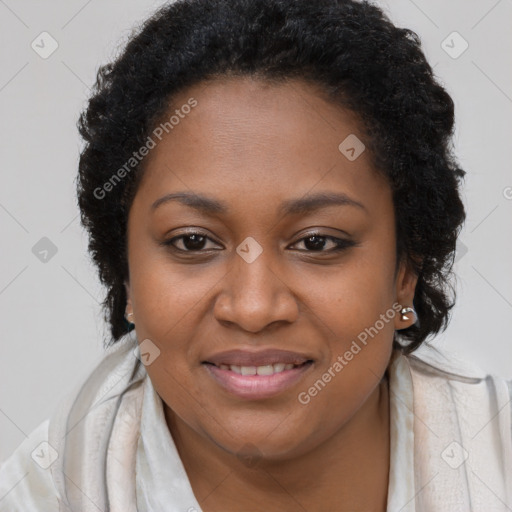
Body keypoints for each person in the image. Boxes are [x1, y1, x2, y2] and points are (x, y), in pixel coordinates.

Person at [1, 0, 511, 510]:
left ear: (405, 270)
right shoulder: (39, 495)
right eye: (193, 241)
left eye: (317, 242)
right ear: (126, 273)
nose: (253, 308)